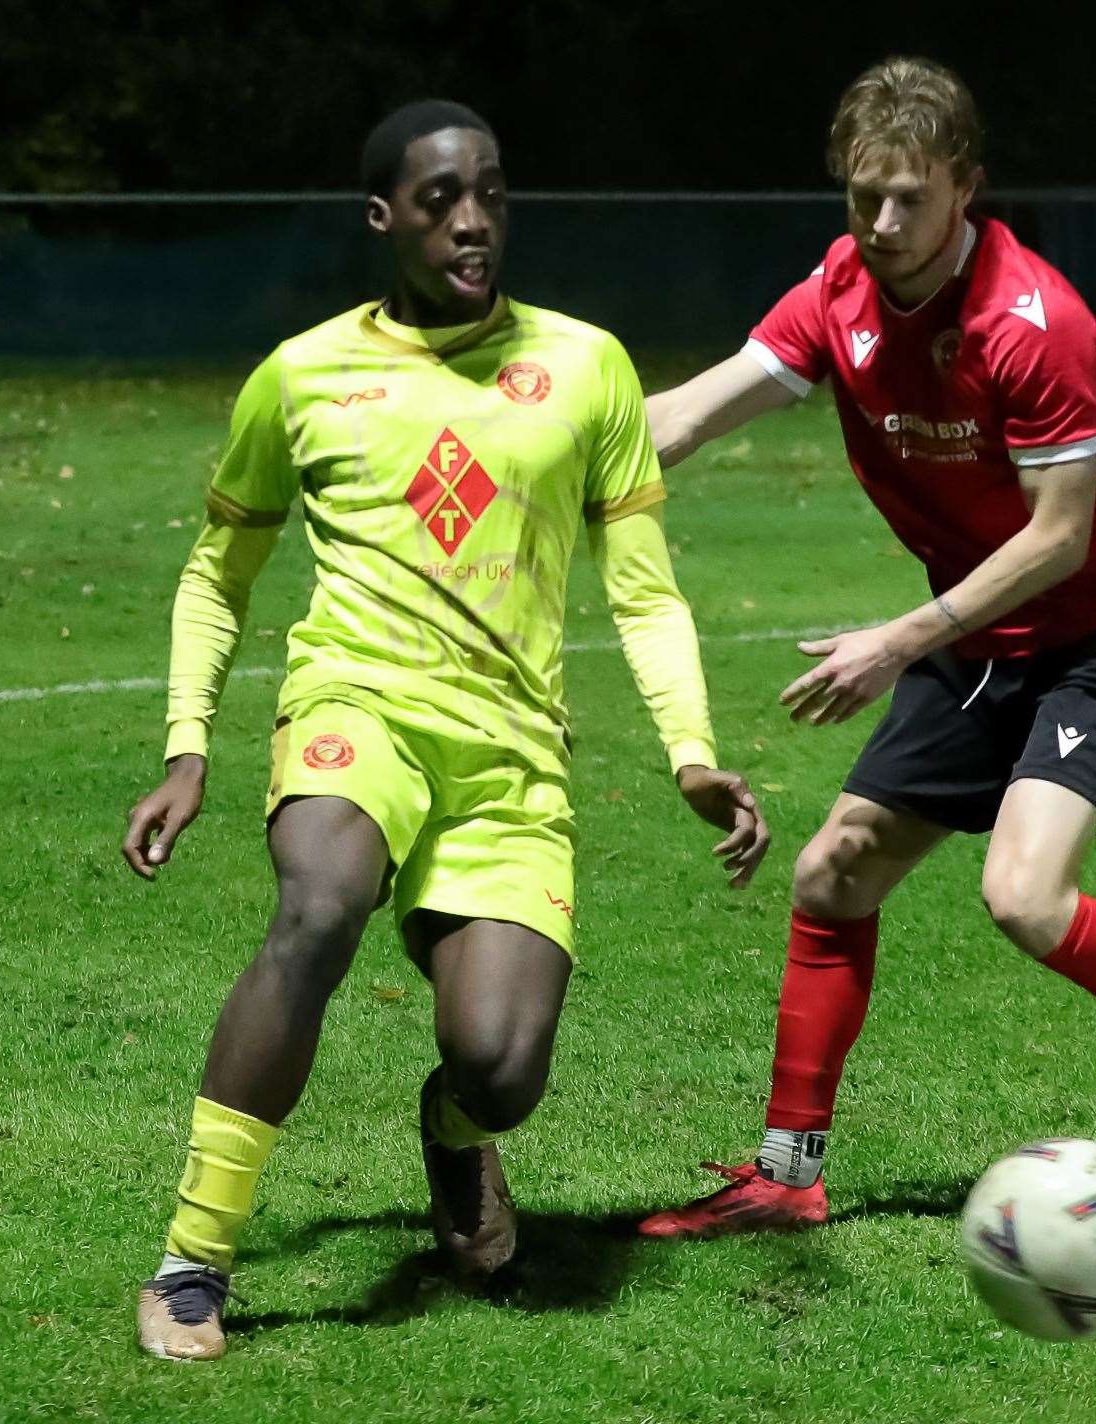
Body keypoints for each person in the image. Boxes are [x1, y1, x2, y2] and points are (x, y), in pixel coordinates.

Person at [123, 99, 769, 1361]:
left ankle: (457, 1129)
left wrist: (690, 750)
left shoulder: (587, 366)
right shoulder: (301, 375)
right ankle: (191, 1261)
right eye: (437, 201)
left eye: (489, 192)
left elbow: (642, 586)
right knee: (318, 904)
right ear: (383, 218)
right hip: (355, 706)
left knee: (502, 1061)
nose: (471, 221)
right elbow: (220, 566)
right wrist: (187, 741)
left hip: (509, 755)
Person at [636, 57, 1096, 1243]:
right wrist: (545, 453)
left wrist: (896, 639)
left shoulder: (1031, 325)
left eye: (908, 199)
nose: (881, 225)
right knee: (834, 872)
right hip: (982, 634)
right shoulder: (837, 292)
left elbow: (1056, 536)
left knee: (1022, 893)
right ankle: (786, 1170)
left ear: (964, 190)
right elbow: (685, 412)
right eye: (861, 196)